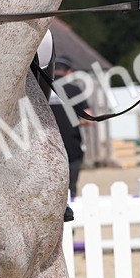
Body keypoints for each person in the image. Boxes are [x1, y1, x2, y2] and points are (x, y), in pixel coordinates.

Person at [50, 58, 88, 205]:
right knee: (70, 186)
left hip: (49, 146)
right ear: (69, 72)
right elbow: (89, 118)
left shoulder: (43, 88)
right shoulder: (73, 89)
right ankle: (71, 218)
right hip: (71, 145)